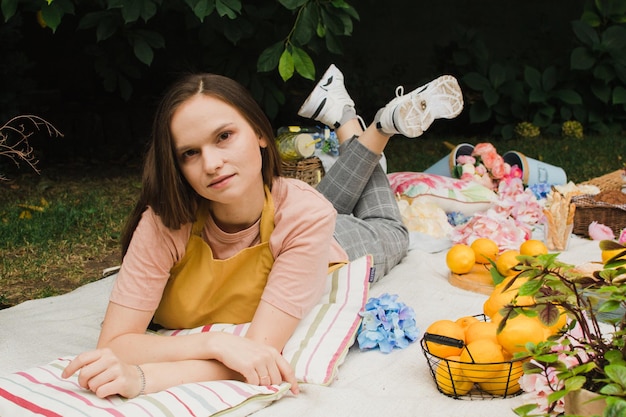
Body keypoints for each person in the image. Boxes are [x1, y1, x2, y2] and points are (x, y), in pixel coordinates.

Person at [62, 64, 463, 399]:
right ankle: (348, 119)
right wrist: (213, 341)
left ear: (258, 133)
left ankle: (378, 126)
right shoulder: (165, 221)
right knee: (309, 203)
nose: (213, 163)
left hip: (327, 250)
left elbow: (258, 355)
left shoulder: (306, 215)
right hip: (290, 218)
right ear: (177, 165)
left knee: (391, 230)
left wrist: (144, 378)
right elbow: (115, 343)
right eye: (190, 153)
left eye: (224, 137)